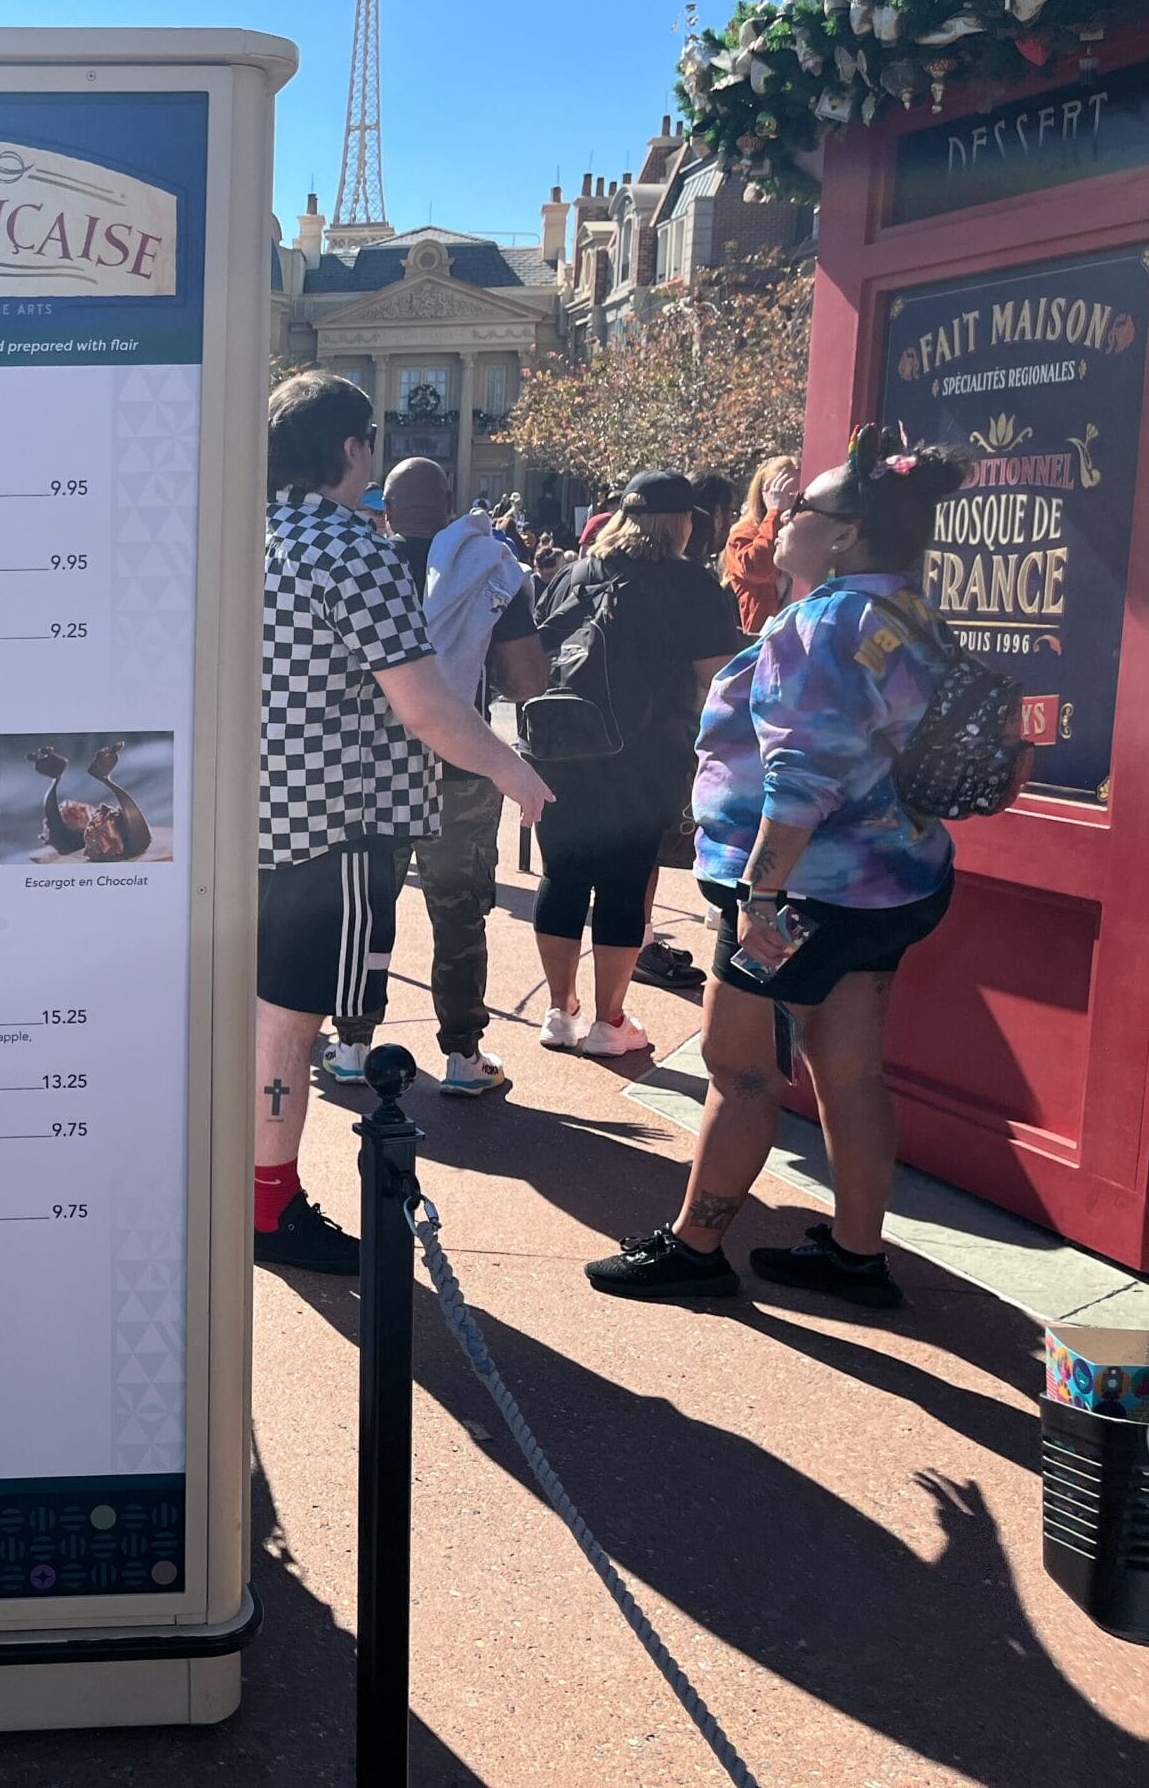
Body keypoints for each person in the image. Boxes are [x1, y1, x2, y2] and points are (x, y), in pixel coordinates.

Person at [587, 431, 966, 1306]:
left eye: (803, 509)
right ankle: (856, 1254)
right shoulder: (910, 611)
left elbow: (802, 776)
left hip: (800, 892)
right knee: (852, 1071)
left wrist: (760, 894)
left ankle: (696, 1246)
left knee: (739, 1068)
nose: (781, 518)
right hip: (890, 880)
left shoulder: (824, 622)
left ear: (845, 535)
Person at [255, 374, 552, 1273]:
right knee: (289, 1025)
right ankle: (271, 1207)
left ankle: (257, 1194)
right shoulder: (356, 549)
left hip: (254, 813)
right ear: (353, 449)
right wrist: (511, 769)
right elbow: (422, 704)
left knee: (263, 1019)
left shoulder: (250, 537)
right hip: (337, 819)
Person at [322, 458, 547, 1098]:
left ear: (385, 510)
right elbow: (529, 682)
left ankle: (353, 1042)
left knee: (365, 910)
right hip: (461, 767)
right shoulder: (484, 571)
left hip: (369, 770)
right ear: (448, 508)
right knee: (459, 910)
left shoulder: (361, 566)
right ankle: (463, 1055)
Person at [529, 472, 741, 1058]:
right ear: (684, 523)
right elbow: (723, 681)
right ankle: (609, 1021)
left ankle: (558, 1009)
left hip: (562, 747)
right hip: (645, 755)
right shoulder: (691, 584)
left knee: (562, 875)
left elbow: (536, 656)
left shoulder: (574, 574)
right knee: (624, 882)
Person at [721, 454, 802, 633]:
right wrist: (775, 513)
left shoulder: (805, 528)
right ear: (763, 494)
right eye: (780, 493)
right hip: (762, 638)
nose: (789, 501)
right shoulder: (742, 533)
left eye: (795, 494)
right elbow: (760, 568)